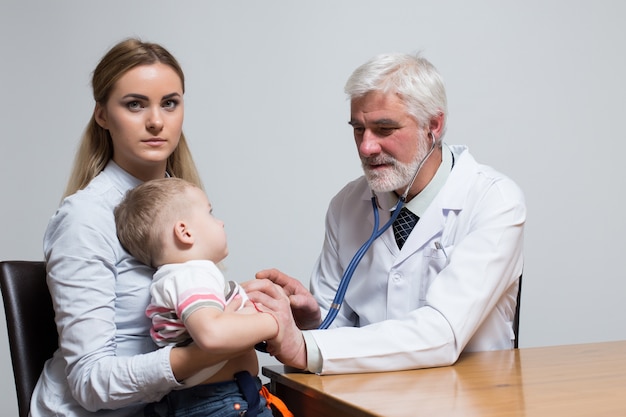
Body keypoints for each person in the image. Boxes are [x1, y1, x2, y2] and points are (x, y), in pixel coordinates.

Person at [31, 38, 274, 417]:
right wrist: (210, 346)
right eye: (135, 104)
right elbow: (90, 384)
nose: (156, 121)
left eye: (170, 103)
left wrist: (238, 306)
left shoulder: (183, 199)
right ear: (102, 115)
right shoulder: (85, 219)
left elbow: (172, 314)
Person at [243, 52, 526, 375]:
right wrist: (313, 322)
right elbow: (338, 337)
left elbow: (443, 333)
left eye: (384, 128)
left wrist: (307, 347)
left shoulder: (494, 201)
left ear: (434, 125)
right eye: (358, 129)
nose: (366, 147)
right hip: (364, 399)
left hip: (468, 399)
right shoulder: (347, 204)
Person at [114, 177, 291, 417]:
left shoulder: (177, 278)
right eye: (210, 213)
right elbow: (212, 334)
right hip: (223, 402)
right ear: (184, 232)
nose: (220, 222)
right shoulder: (193, 273)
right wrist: (275, 321)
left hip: (214, 400)